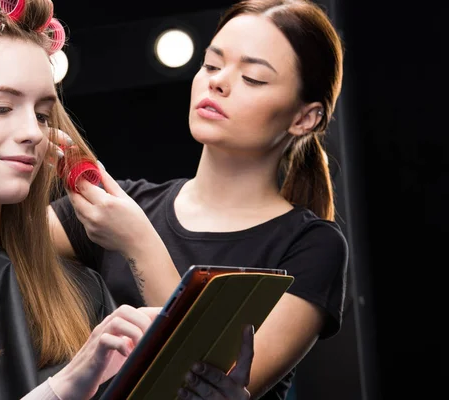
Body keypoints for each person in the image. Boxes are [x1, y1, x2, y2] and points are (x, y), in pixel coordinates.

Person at [0, 1, 255, 399]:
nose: (33, 132)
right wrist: (61, 390)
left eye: (43, 114)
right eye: (1, 107)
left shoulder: (82, 294)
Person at [50, 0, 349, 399]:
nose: (218, 82)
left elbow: (206, 378)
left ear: (305, 118)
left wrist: (138, 242)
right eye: (211, 65)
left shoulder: (311, 247)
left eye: (254, 78)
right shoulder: (121, 206)